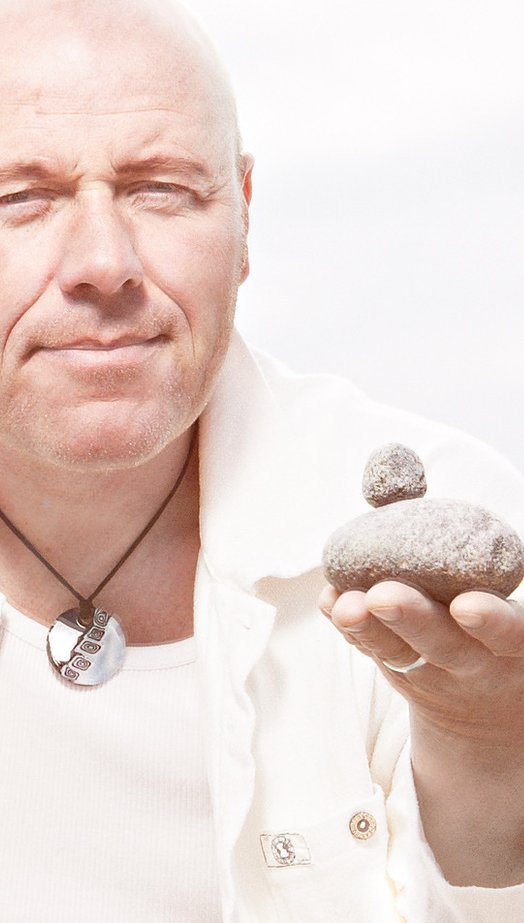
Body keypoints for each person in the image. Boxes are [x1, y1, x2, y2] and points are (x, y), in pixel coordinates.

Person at [0, 0, 522, 920]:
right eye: (19, 199)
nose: (103, 263)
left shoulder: (448, 543)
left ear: (244, 219)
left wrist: (487, 751)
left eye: (162, 188)